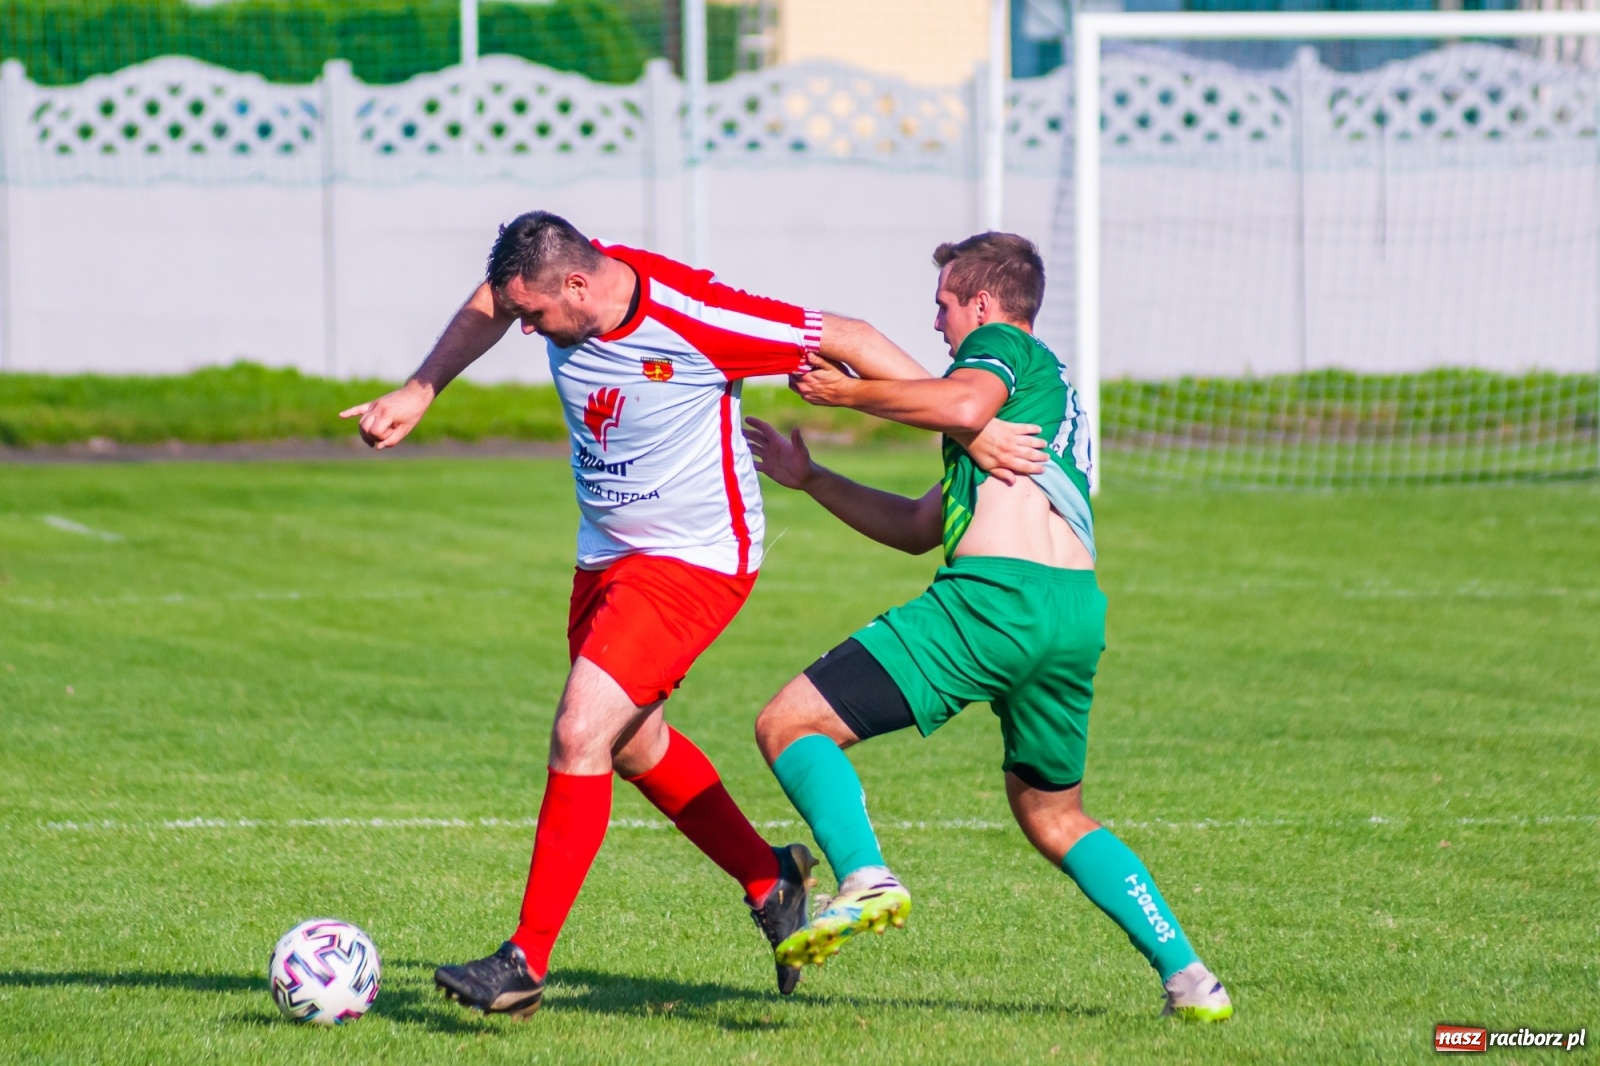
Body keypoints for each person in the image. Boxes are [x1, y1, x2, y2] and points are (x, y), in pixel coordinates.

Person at [338, 211, 1038, 1017]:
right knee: (634, 745)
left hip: (693, 562)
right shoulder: (564, 283)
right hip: (604, 555)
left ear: (577, 283)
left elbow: (852, 334)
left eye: (535, 316)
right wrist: (422, 388)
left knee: (580, 732)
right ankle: (770, 879)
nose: (527, 332)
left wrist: (967, 424)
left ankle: (524, 961)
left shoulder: (694, 317)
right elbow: (490, 303)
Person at [742, 231, 1235, 1022]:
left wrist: (848, 392)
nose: (936, 323)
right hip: (1071, 615)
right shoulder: (1040, 410)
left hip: (996, 601)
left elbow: (961, 400)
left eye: (943, 304)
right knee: (1053, 813)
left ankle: (865, 876)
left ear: (981, 301)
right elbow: (915, 524)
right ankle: (1191, 979)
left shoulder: (1005, 351)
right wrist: (812, 478)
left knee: (789, 723)